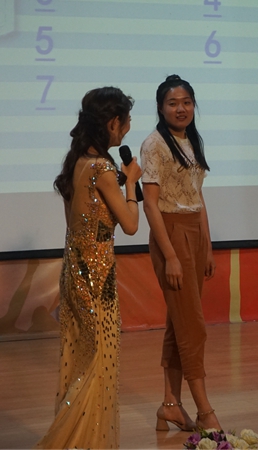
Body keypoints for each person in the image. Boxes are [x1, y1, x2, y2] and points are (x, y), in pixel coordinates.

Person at [37, 87, 141, 449]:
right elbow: (131, 225)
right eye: (126, 121)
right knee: (99, 361)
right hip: (98, 278)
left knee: (83, 358)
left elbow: (77, 224)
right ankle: (78, 440)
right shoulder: (103, 169)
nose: (128, 127)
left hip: (74, 272)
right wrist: (132, 184)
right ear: (113, 123)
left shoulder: (77, 161)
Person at [141, 75, 220, 430]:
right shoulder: (154, 144)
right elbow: (150, 205)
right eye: (173, 103)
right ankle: (205, 411)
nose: (181, 108)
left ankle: (170, 405)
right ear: (161, 108)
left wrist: (208, 245)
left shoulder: (191, 139)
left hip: (194, 233)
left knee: (180, 323)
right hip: (171, 233)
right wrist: (171, 255)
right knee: (193, 327)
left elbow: (197, 194)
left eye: (186, 102)